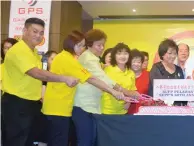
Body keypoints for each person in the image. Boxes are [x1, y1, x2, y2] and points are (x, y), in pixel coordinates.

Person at [42, 30, 134, 146]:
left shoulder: (79, 58)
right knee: (80, 140)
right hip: (71, 106)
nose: (102, 48)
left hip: (71, 106)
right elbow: (93, 78)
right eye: (79, 45)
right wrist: (116, 91)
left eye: (82, 45)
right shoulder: (75, 59)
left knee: (79, 139)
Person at [1, 17, 79, 146]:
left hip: (30, 104)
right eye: (35, 31)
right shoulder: (18, 50)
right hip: (17, 104)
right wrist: (64, 78)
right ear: (25, 30)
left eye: (41, 33)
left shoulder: (34, 52)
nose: (38, 35)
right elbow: (35, 73)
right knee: (17, 142)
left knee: (28, 141)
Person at [101, 43, 140, 115]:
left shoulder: (131, 73)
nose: (122, 56)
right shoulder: (108, 70)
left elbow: (131, 90)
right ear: (114, 56)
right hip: (108, 111)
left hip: (123, 111)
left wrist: (128, 102)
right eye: (119, 53)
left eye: (125, 53)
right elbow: (103, 87)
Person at [148, 39, 184, 105]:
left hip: (177, 108)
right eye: (170, 53)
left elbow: (182, 90)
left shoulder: (179, 69)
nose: (173, 56)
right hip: (160, 107)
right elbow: (159, 90)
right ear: (162, 54)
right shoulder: (156, 68)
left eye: (175, 53)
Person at [127, 49, 150, 114]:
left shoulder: (149, 75)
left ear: (142, 63)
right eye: (133, 62)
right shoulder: (124, 75)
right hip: (127, 113)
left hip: (144, 113)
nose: (136, 64)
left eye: (138, 62)